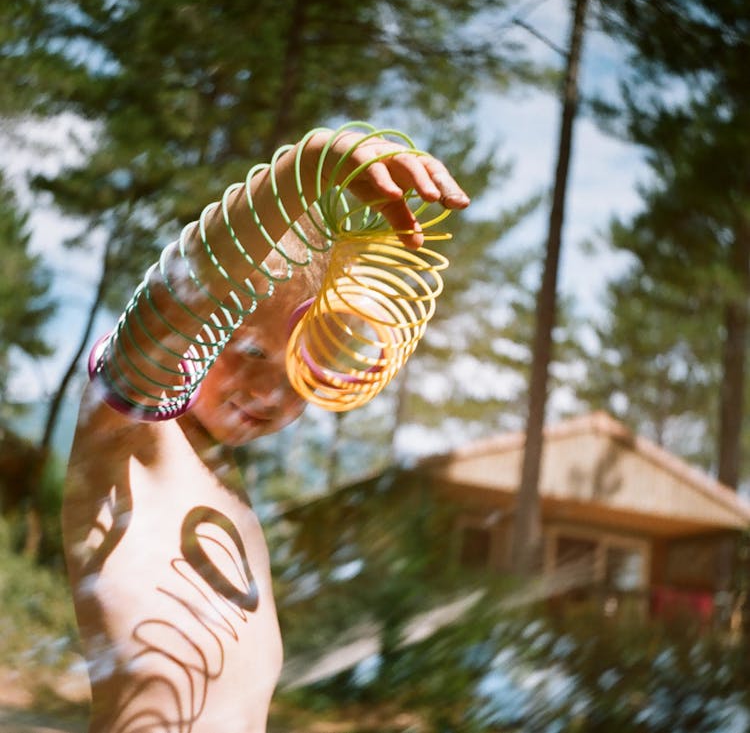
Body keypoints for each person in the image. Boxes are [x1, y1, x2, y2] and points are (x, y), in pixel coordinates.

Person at [62, 127, 469, 732]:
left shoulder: (232, 499)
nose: (269, 394)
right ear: (204, 333)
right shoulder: (132, 431)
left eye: (298, 363)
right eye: (249, 350)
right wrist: (304, 172)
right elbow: (177, 297)